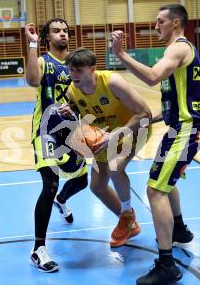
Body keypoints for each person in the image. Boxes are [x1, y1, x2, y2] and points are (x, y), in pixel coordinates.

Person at [112, 4, 200, 284]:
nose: (156, 26)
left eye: (160, 22)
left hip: (188, 130)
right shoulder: (178, 51)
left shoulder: (178, 48)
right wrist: (149, 119)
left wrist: (120, 54)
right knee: (164, 184)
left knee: (155, 190)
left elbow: (153, 77)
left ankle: (167, 265)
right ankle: (178, 229)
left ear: (176, 23)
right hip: (180, 127)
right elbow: (176, 102)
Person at [59, 48, 152, 248]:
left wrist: (115, 135)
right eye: (71, 70)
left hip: (133, 129)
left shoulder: (113, 82)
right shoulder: (72, 91)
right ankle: (130, 223)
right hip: (106, 137)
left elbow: (145, 113)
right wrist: (72, 109)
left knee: (115, 166)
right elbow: (83, 108)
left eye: (79, 70)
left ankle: (127, 214)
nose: (73, 74)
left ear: (93, 69)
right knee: (97, 186)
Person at [25, 18, 88, 273]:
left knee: (82, 181)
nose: (62, 34)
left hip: (72, 131)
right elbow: (31, 80)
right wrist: (31, 45)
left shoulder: (76, 64)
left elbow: (86, 95)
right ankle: (38, 249)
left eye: (65, 30)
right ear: (47, 37)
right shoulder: (43, 61)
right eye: (56, 31)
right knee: (50, 184)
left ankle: (62, 200)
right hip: (46, 131)